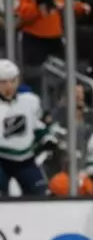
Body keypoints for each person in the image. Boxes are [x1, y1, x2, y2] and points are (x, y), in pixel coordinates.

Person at [0, 58, 52, 196]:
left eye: (12, 81)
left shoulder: (30, 100)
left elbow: (37, 125)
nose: (9, 86)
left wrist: (46, 137)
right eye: (3, 82)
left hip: (26, 159)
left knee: (40, 194)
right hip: (1, 160)